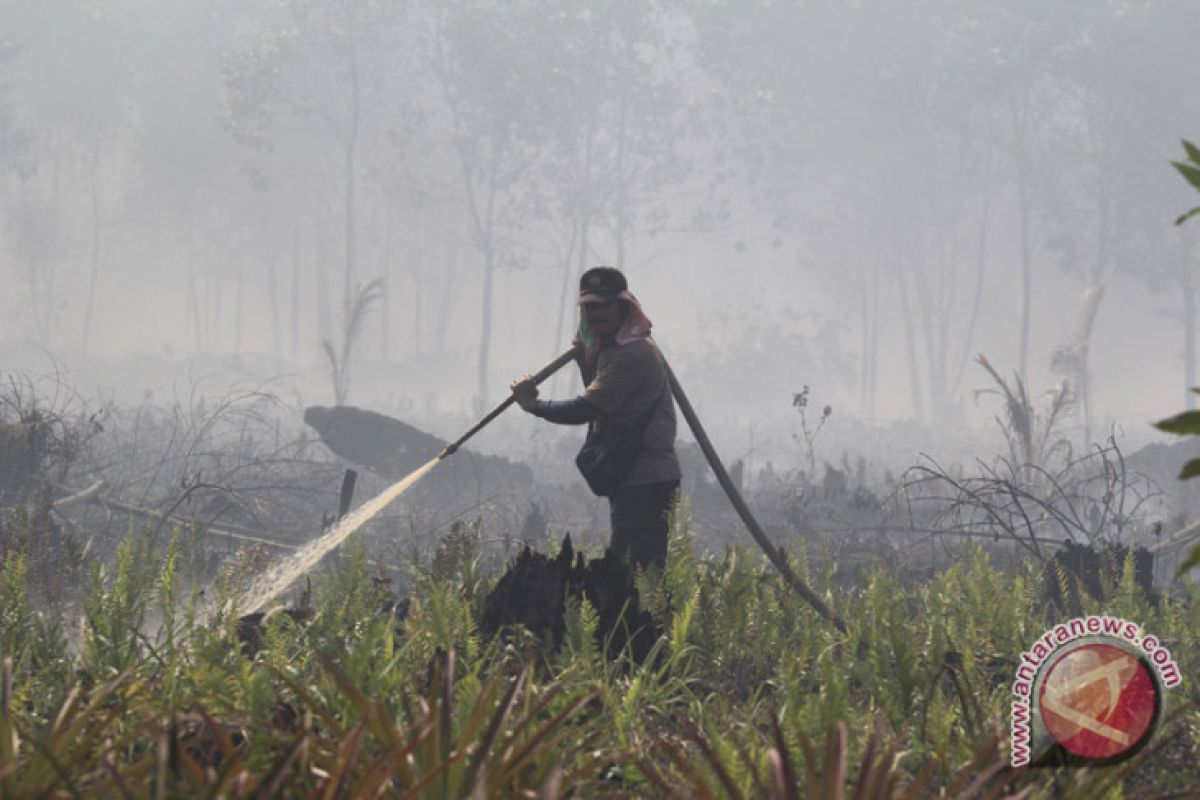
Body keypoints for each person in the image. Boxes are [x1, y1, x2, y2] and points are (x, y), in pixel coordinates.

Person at [510, 267, 681, 571]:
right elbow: (604, 394)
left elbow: (585, 408)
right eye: (589, 307)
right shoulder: (611, 350)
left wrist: (534, 406)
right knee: (632, 572)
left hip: (647, 480)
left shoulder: (634, 354)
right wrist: (582, 355)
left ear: (623, 307)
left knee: (636, 575)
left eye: (604, 306)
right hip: (630, 477)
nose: (596, 314)